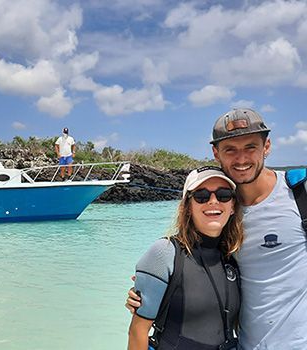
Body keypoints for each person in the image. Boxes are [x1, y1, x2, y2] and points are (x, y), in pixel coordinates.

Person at [127, 108, 307, 349]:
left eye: (250, 147)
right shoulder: (221, 219)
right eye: (230, 149)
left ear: (267, 147)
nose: (241, 159)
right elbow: (193, 271)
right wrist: (152, 291)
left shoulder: (299, 194)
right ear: (216, 153)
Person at [128, 166, 243, 350]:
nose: (213, 201)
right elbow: (138, 332)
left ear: (232, 207)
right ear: (187, 207)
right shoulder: (165, 252)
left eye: (223, 195)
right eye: (201, 196)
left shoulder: (234, 257)